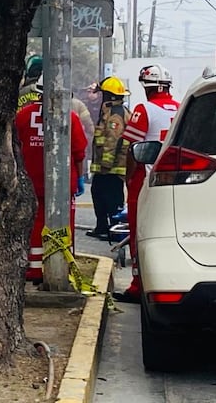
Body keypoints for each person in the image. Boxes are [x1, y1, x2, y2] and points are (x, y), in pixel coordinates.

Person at [114, 64, 180, 303]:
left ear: (147, 87)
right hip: (175, 180)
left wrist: (128, 177)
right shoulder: (182, 107)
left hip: (146, 179)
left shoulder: (145, 109)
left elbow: (132, 148)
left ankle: (137, 285)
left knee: (138, 232)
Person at [15, 74, 88, 282]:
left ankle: (35, 268)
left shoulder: (22, 115)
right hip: (63, 182)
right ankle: (61, 268)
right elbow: (79, 152)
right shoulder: (70, 117)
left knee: (34, 223)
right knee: (64, 225)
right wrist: (80, 177)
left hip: (31, 179)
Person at [87, 76, 131, 239]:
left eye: (102, 94)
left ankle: (112, 229)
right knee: (98, 194)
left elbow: (113, 140)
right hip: (107, 167)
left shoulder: (115, 115)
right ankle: (102, 227)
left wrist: (106, 164)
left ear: (108, 96)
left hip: (111, 168)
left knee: (111, 198)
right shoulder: (111, 112)